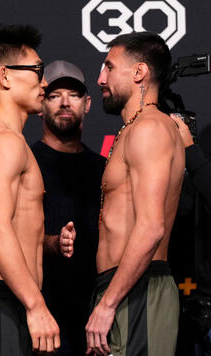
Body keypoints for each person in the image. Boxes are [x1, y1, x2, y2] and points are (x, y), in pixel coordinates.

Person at [0, 24, 72, 355]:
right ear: (5, 77)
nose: (44, 82)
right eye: (37, 70)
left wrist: (49, 244)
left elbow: (10, 224)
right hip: (4, 304)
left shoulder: (7, 141)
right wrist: (36, 306)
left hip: (13, 301)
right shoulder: (2, 141)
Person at [85, 31, 185, 356]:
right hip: (120, 288)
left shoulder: (150, 129)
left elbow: (152, 226)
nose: (100, 78)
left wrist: (108, 303)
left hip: (137, 291)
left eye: (109, 67)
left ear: (139, 73)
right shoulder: (134, 129)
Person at [31, 60, 106, 355]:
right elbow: (4, 236)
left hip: (96, 317)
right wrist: (52, 243)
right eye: (53, 95)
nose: (64, 103)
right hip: (43, 316)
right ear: (40, 104)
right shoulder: (25, 162)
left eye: (73, 95)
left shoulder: (105, 169)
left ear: (87, 104)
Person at [171, 114, 211, 356]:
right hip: (199, 305)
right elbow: (183, 208)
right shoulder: (202, 165)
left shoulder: (200, 161)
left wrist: (189, 148)